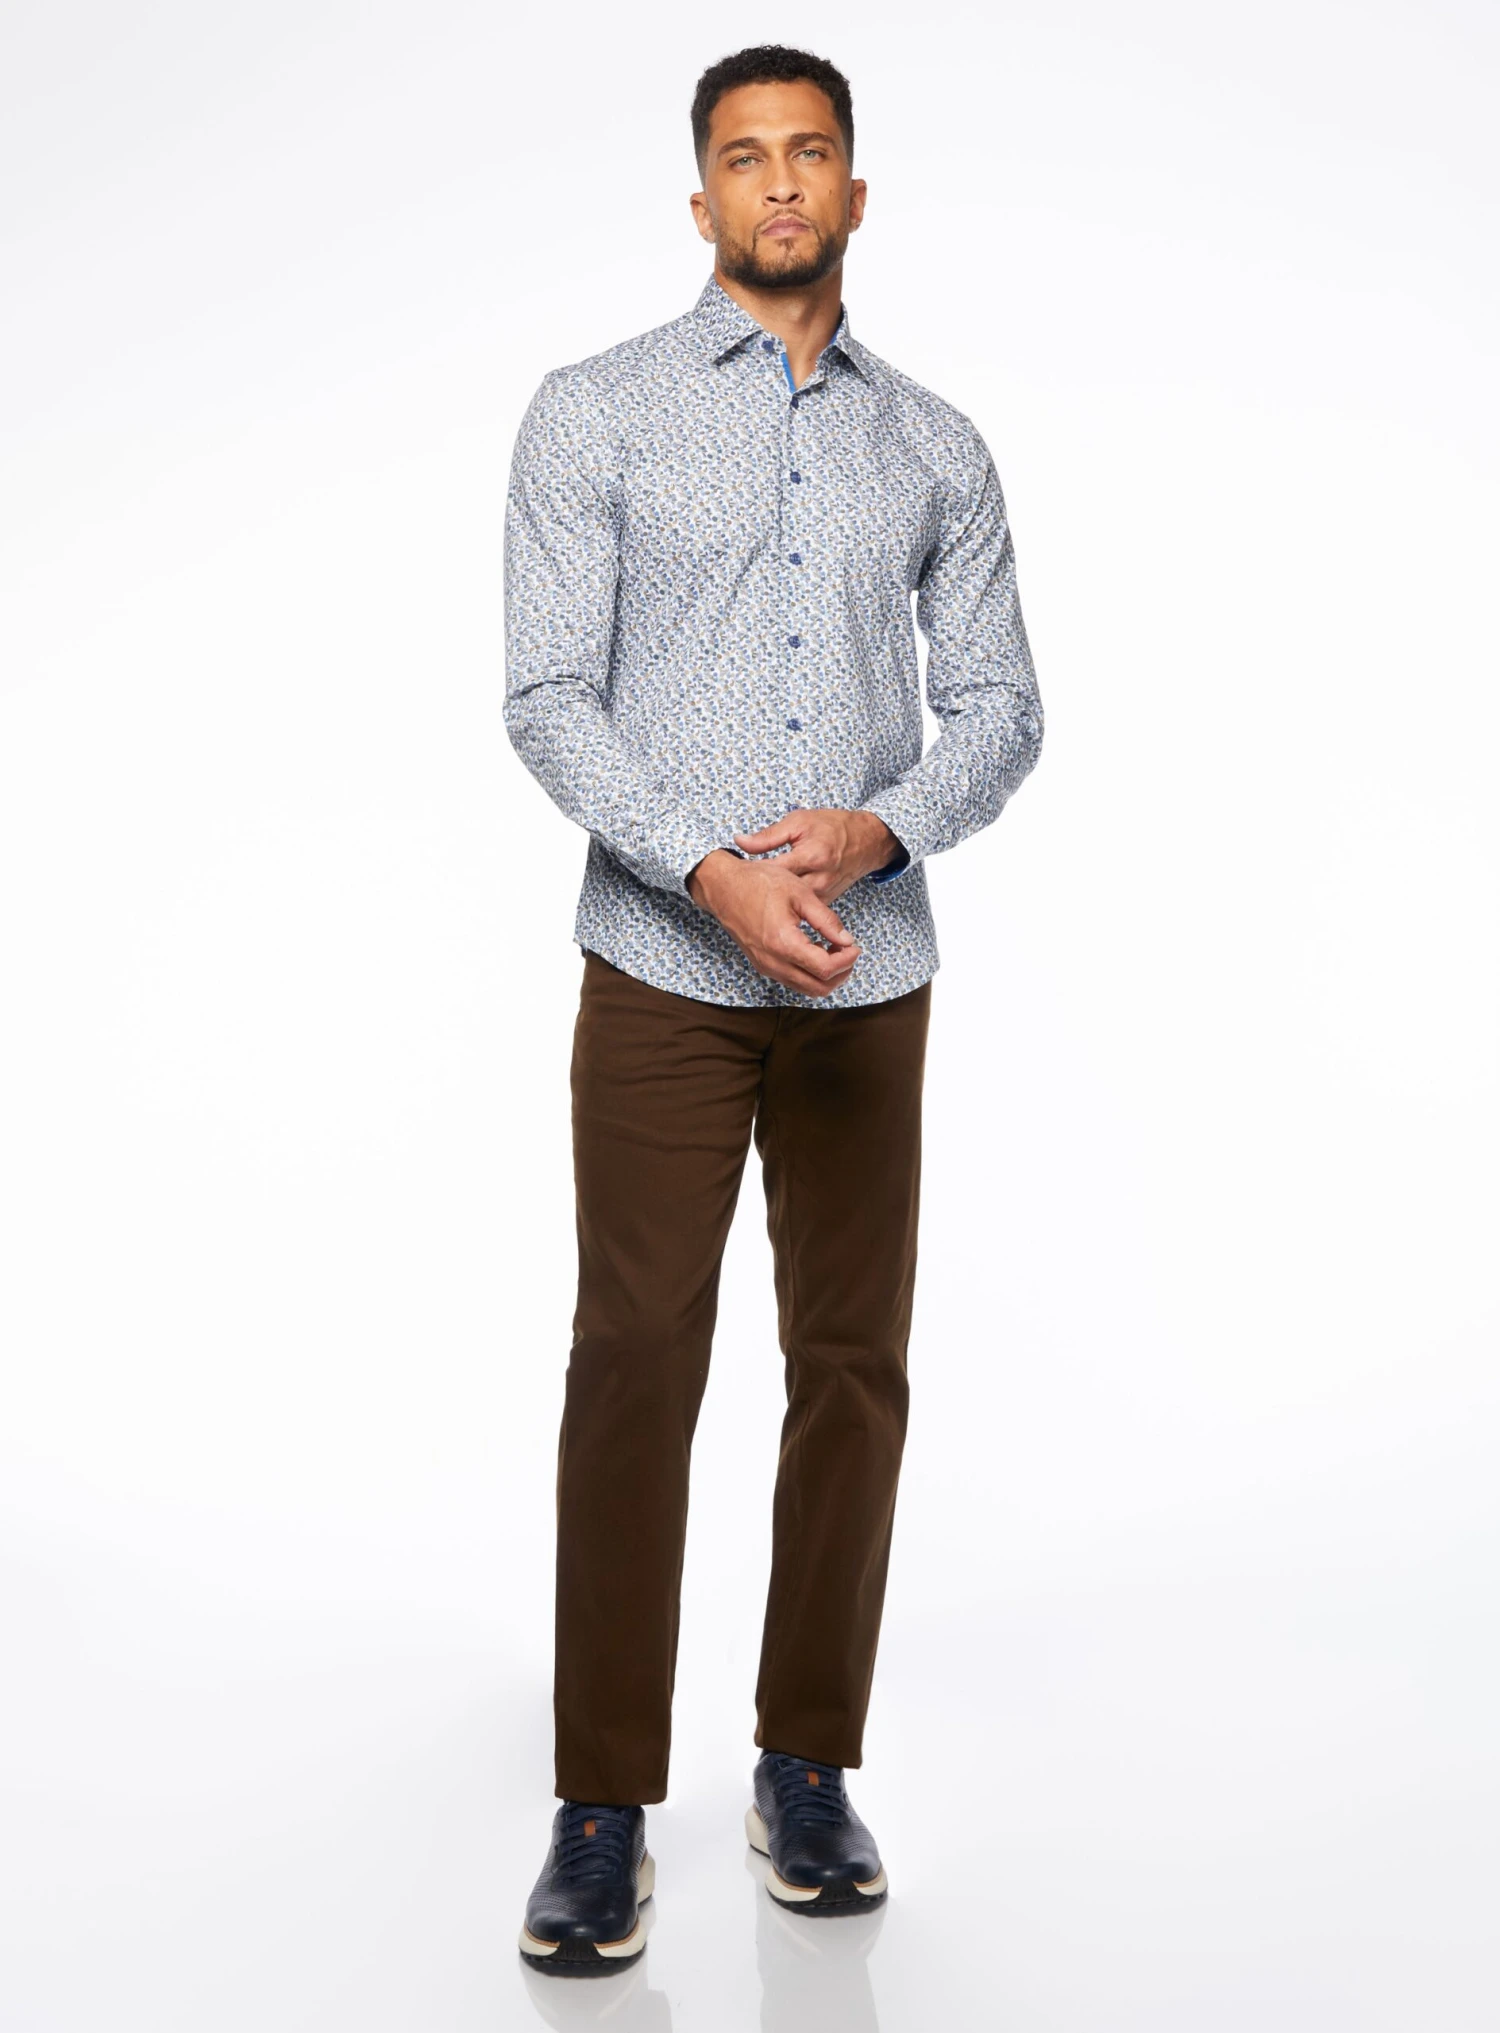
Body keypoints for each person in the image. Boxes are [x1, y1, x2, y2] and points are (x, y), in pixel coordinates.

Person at [503, 41, 1043, 1977]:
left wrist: (886, 830)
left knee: (854, 1366)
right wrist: (710, 869)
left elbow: (1003, 706)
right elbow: (548, 696)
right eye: (746, 158)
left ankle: (806, 1765)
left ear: (856, 191)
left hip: (868, 979)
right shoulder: (596, 412)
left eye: (812, 152)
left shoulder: (940, 447)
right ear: (704, 198)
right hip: (664, 965)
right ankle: (600, 1806)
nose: (782, 183)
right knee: (636, 1355)